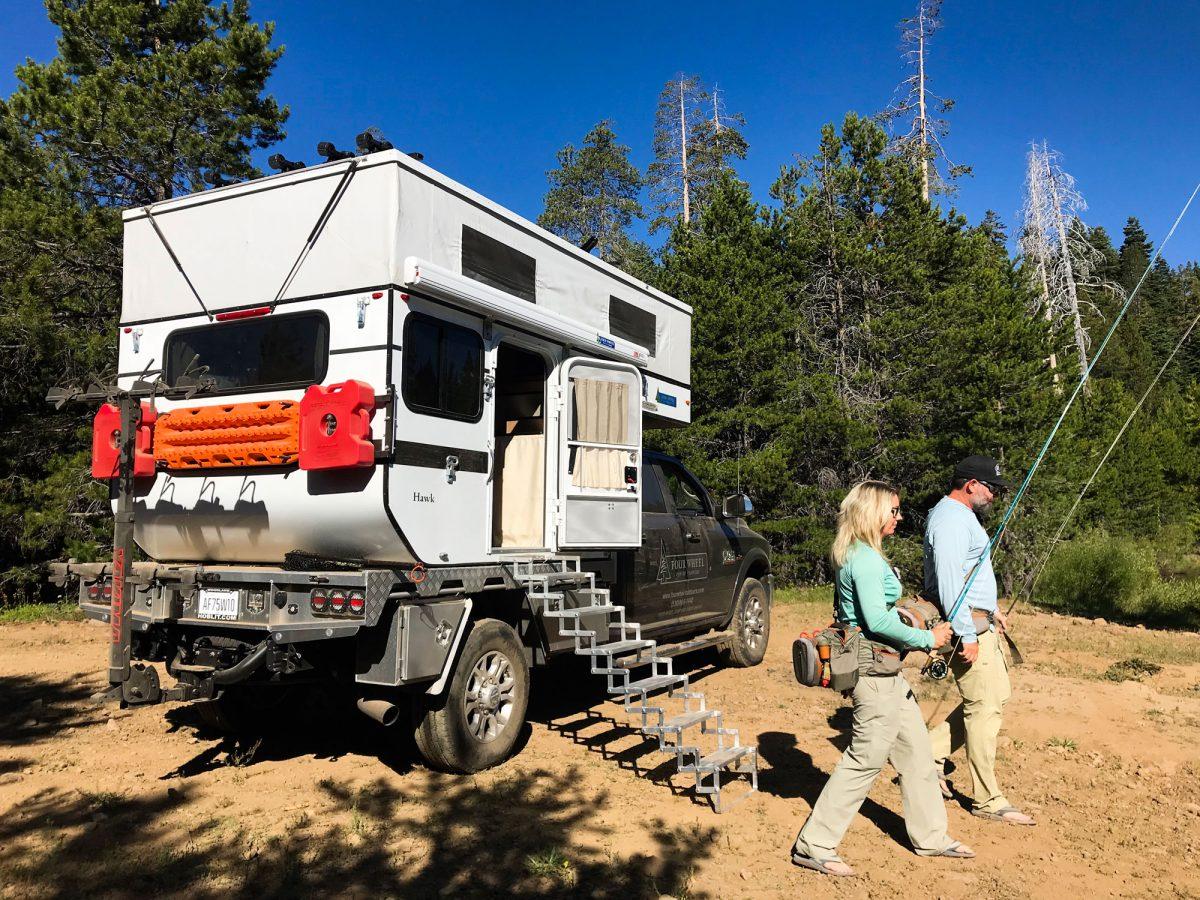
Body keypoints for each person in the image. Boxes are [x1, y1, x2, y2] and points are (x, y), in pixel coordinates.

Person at [792, 481, 975, 878]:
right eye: (893, 510)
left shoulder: (857, 553)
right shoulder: (866, 560)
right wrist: (929, 638)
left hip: (886, 672)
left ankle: (931, 838)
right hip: (874, 675)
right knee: (865, 758)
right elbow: (876, 620)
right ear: (872, 512)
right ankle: (815, 845)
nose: (899, 517)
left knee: (917, 753)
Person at [923, 455, 1035, 826]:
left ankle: (928, 754)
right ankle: (988, 799)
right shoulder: (951, 520)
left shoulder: (961, 518)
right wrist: (968, 633)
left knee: (992, 697)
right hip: (965, 628)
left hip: (978, 621)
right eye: (992, 489)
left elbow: (970, 575)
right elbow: (950, 581)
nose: (996, 496)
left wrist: (991, 610)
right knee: (984, 708)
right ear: (971, 484)